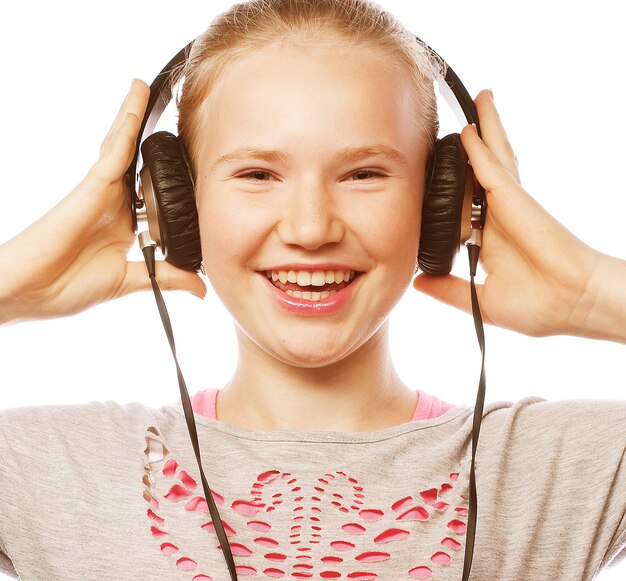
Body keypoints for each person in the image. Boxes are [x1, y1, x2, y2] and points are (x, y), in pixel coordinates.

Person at [0, 0, 624, 579]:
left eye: (363, 173)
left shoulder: (555, 467)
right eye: (257, 173)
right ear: (176, 204)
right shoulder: (52, 467)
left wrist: (596, 294)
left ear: (451, 201)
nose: (310, 228)